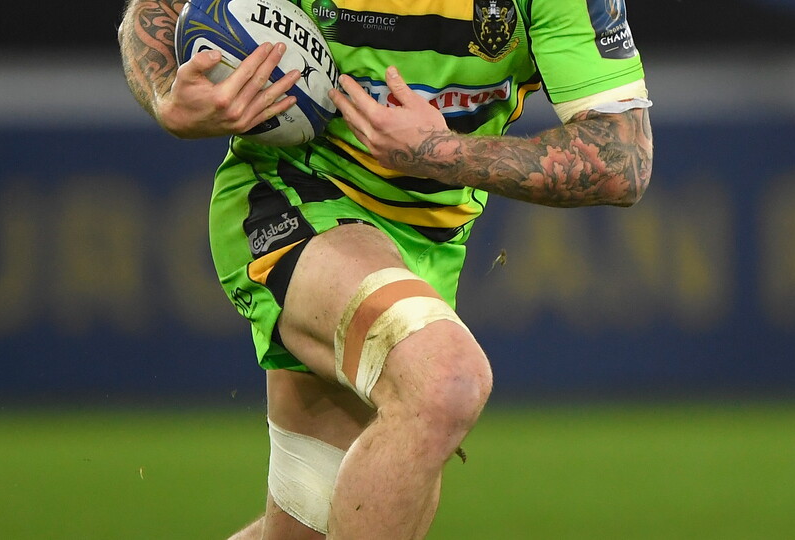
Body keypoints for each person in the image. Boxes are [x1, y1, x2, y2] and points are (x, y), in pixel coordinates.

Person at [118, 0, 653, 538]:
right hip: (291, 195)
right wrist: (167, 93)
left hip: (429, 238)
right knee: (445, 382)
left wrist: (440, 152)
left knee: (305, 531)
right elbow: (157, 8)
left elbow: (623, 156)